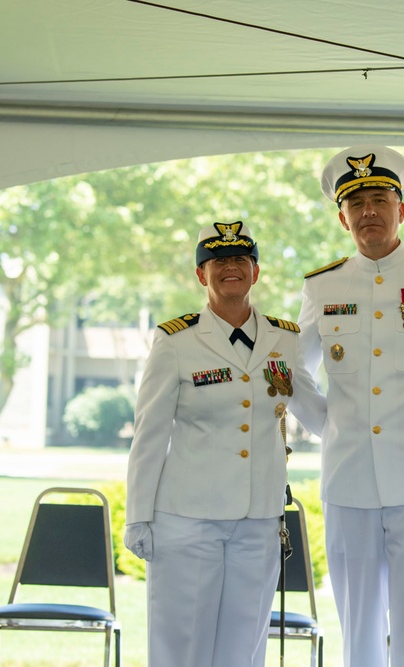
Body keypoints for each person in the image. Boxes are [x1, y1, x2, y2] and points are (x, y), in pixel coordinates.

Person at [123, 221, 326, 667]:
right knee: (182, 646)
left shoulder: (285, 339)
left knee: (245, 647)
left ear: (255, 272)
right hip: (188, 521)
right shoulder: (176, 340)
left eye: (240, 259)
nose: (230, 268)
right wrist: (138, 516)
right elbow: (150, 435)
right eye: (217, 261)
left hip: (258, 522)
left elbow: (319, 414)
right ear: (201, 275)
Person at [297, 145, 404, 667]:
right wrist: (325, 425)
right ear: (342, 216)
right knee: (358, 624)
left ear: (402, 209)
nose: (369, 210)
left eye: (380, 198)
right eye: (358, 203)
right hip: (349, 476)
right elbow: (286, 367)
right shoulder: (322, 285)